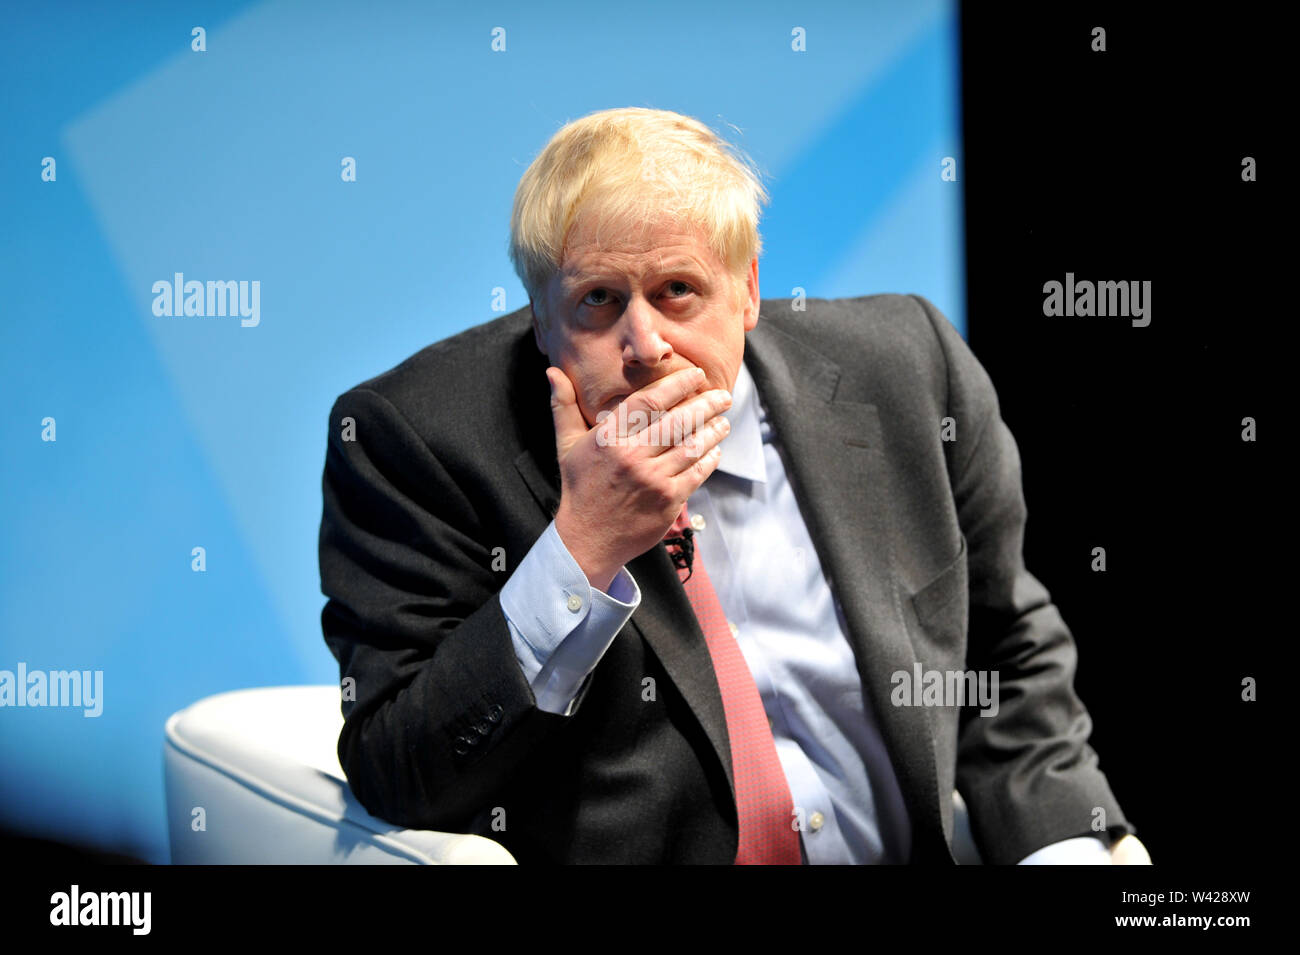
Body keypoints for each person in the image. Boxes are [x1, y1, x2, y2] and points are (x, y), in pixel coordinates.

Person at [318, 106, 1149, 865]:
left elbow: (1002, 651)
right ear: (539, 316)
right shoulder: (416, 441)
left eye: (677, 290)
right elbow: (399, 770)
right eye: (597, 301)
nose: (644, 343)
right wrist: (581, 551)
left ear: (748, 288)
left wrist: (1067, 848)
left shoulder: (907, 372)